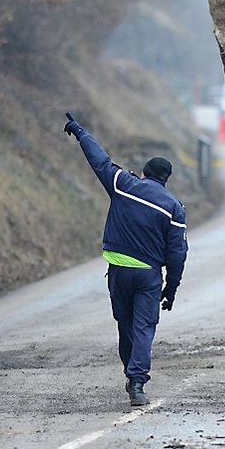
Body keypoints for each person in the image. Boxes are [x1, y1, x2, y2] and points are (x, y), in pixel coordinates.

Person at [64, 114, 187, 406]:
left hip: (119, 269)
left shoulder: (123, 184)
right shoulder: (173, 208)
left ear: (144, 173)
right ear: (166, 180)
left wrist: (81, 132)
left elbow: (100, 161)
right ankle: (137, 381)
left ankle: (129, 370)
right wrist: (171, 288)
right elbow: (177, 253)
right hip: (148, 275)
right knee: (144, 327)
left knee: (126, 324)